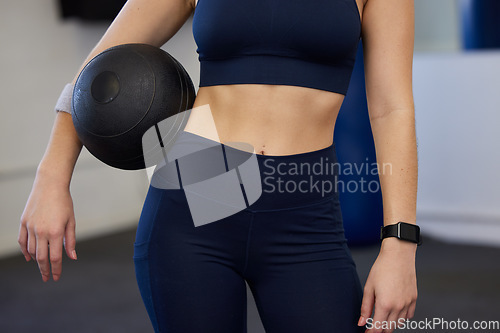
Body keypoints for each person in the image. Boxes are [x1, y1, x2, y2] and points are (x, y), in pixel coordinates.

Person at [18, 0, 419, 332]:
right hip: (197, 185)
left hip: (302, 203)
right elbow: (97, 73)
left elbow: (392, 109)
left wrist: (399, 245)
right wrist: (51, 176)